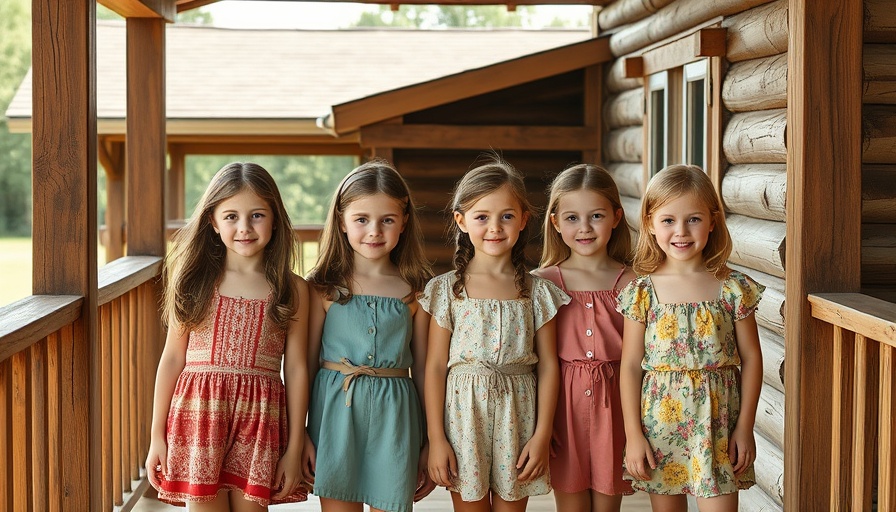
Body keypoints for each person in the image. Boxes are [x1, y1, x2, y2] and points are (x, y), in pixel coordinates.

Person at [145, 162, 310, 510]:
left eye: (257, 215)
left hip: (260, 421)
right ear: (213, 221)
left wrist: (294, 447)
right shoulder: (194, 280)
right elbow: (172, 358)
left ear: (275, 218)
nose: (244, 227)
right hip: (199, 417)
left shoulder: (291, 288)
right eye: (231, 216)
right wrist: (156, 435)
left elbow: (295, 370)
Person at [421, 155, 569, 512]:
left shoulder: (538, 292)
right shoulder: (446, 290)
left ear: (523, 220)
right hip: (462, 420)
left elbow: (548, 366)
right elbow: (436, 367)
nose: (495, 227)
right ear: (461, 220)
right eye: (482, 216)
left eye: (506, 216)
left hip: (517, 417)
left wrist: (542, 434)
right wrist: (436, 438)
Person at [617, 164, 763, 512]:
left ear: (712, 221)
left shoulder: (732, 288)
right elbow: (630, 367)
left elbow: (753, 359)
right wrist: (634, 435)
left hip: (719, 428)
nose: (681, 231)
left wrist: (745, 428)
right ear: (650, 223)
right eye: (668, 220)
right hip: (659, 427)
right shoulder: (642, 292)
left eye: (693, 219)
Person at [303, 159, 435, 512]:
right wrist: (300, 435)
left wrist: (430, 441)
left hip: (397, 418)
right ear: (342, 222)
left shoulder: (418, 291)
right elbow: (304, 366)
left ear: (404, 222)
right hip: (334, 417)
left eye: (387, 220)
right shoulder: (322, 288)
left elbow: (424, 370)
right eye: (362, 219)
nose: (374, 230)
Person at [531, 164, 636, 512]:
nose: (585, 228)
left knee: (608, 505)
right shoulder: (541, 283)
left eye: (596, 216)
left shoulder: (633, 283)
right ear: (556, 222)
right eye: (572, 218)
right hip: (562, 406)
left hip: (618, 405)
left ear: (616, 217)